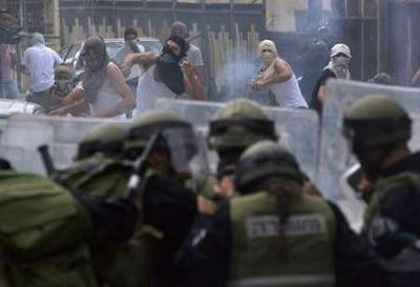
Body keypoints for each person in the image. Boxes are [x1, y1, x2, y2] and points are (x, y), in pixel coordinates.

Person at [177, 140, 381, 287]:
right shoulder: (325, 211)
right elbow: (365, 270)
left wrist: (205, 218)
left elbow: (192, 271)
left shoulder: (232, 213)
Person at [342, 94, 420, 286]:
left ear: (369, 143)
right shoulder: (408, 178)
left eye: (356, 143)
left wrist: (332, 218)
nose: (354, 152)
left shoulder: (398, 196)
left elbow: (371, 266)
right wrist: (373, 198)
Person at [52, 37, 136, 119]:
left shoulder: (111, 70)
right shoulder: (91, 73)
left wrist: (100, 117)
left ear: (101, 57)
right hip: (97, 126)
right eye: (88, 59)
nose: (90, 62)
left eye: (93, 59)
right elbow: (89, 103)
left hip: (115, 127)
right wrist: (64, 110)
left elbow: (130, 101)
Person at [122, 35, 206, 115]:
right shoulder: (151, 60)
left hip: (162, 122)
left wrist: (191, 76)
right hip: (141, 119)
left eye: (174, 49)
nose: (169, 50)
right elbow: (133, 57)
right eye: (168, 46)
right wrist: (127, 66)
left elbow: (201, 99)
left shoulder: (178, 75)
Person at [251, 40, 307, 109]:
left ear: (274, 52)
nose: (266, 53)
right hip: (287, 111)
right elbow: (273, 97)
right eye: (264, 51)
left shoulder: (277, 61)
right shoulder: (266, 71)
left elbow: (287, 74)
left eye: (269, 50)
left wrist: (264, 82)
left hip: (297, 108)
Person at [21, 33, 63, 105]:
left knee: (35, 109)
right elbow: (61, 63)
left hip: (35, 87)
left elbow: (23, 67)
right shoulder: (51, 51)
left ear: (32, 41)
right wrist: (53, 69)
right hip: (50, 86)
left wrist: (29, 72)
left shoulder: (28, 51)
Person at [310, 43, 351, 115]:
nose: (341, 58)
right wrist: (335, 106)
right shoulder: (328, 73)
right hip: (318, 114)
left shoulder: (346, 73)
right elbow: (321, 95)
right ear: (333, 57)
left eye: (344, 55)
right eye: (338, 55)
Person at [113, 27, 144, 96]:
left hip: (140, 81)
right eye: (129, 39)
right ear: (125, 40)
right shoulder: (121, 52)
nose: (131, 41)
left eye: (133, 38)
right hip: (129, 83)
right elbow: (117, 65)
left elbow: (141, 59)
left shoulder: (141, 48)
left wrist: (135, 48)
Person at [0, 9, 19, 99]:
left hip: (9, 78)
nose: (6, 22)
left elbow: (15, 62)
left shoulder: (11, 37)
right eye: (4, 19)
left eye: (9, 20)